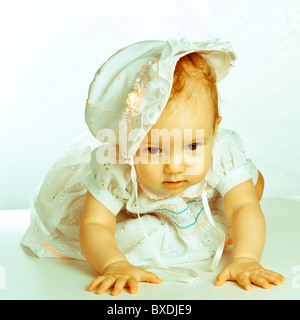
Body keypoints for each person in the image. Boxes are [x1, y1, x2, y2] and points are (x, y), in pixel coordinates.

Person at [21, 38, 285, 296]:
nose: (175, 166)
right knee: (112, 228)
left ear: (214, 129)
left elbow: (242, 207)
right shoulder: (118, 167)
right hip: (140, 213)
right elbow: (95, 225)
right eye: (154, 149)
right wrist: (114, 263)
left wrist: (247, 258)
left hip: (200, 201)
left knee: (248, 192)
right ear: (129, 141)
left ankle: (211, 214)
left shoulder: (220, 149)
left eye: (193, 146)